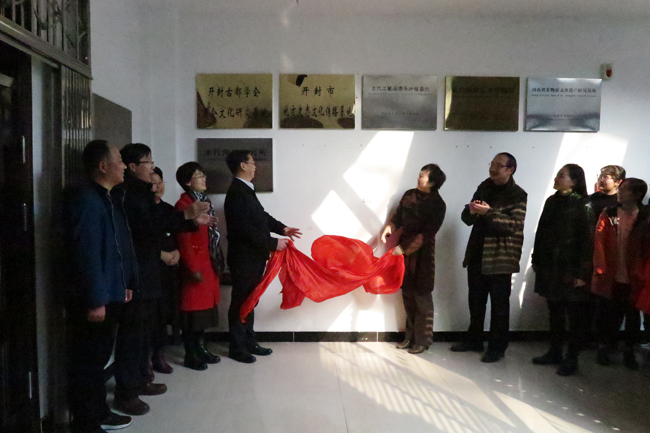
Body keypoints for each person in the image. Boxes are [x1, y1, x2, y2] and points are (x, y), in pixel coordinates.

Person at [113, 143, 213, 415]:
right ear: (133, 167)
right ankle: (126, 392)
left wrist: (190, 220)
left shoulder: (142, 193)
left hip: (149, 274)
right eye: (148, 161)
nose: (152, 167)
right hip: (136, 276)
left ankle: (140, 380)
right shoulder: (127, 195)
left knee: (145, 333)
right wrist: (187, 216)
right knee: (132, 336)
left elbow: (163, 218)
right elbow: (147, 229)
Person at [63, 140, 136, 433]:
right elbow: (87, 254)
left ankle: (99, 411)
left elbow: (117, 250)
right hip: (94, 298)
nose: (123, 166)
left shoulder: (108, 197)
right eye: (119, 160)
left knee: (99, 358)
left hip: (110, 292)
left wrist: (126, 284)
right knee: (88, 363)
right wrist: (96, 300)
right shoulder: (86, 200)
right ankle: (85, 423)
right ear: (103, 166)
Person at [224, 150, 302, 363]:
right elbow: (245, 229)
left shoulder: (245, 190)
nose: (255, 166)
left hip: (253, 257)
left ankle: (249, 342)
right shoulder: (237, 192)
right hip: (243, 259)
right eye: (252, 162)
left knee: (251, 300)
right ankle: (237, 347)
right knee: (241, 301)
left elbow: (261, 217)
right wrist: (273, 243)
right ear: (243, 165)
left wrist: (283, 229)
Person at [450, 153, 527, 363]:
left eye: (498, 165)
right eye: (491, 164)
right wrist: (472, 211)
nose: (492, 168)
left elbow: (513, 225)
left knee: (499, 306)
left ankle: (497, 347)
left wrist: (488, 212)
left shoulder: (518, 194)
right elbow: (466, 218)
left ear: (510, 169)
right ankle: (474, 339)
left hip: (500, 258)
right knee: (476, 302)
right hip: (477, 253)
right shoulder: (484, 187)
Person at [531, 164, 593, 376]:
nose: (556, 178)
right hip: (550, 264)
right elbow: (541, 231)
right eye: (557, 174)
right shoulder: (552, 200)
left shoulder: (583, 203)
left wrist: (582, 273)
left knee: (574, 314)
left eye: (561, 175)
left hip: (570, 266)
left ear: (574, 181)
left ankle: (572, 358)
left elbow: (588, 240)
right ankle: (555, 351)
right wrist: (536, 258)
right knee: (554, 310)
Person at [381, 164, 447, 354]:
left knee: (422, 297)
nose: (418, 178)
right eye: (419, 174)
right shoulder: (409, 195)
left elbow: (426, 235)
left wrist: (403, 249)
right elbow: (398, 217)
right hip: (403, 253)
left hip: (423, 254)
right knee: (407, 295)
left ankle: (423, 341)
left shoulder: (438, 204)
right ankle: (409, 337)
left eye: (423, 176)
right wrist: (390, 227)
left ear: (432, 182)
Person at [591, 178, 649, 370]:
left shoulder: (645, 216)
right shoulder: (609, 213)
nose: (619, 192)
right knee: (608, 314)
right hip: (611, 274)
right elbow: (599, 240)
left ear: (637, 195)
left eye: (624, 190)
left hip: (635, 276)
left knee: (632, 316)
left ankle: (629, 351)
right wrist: (600, 268)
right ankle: (605, 347)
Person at [175, 162, 223, 371]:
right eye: (199, 176)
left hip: (207, 262)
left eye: (203, 175)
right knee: (192, 314)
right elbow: (184, 240)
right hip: (194, 264)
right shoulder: (184, 204)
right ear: (188, 182)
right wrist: (193, 267)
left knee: (203, 313)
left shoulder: (204, 201)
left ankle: (201, 348)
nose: (204, 179)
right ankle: (191, 353)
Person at [150, 167, 179, 375]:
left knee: (164, 313)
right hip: (150, 269)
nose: (158, 186)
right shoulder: (142, 210)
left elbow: (178, 236)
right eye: (154, 183)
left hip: (169, 270)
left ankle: (159, 355)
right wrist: (160, 255)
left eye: (161, 182)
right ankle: (145, 359)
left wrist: (177, 252)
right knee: (149, 316)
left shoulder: (169, 210)